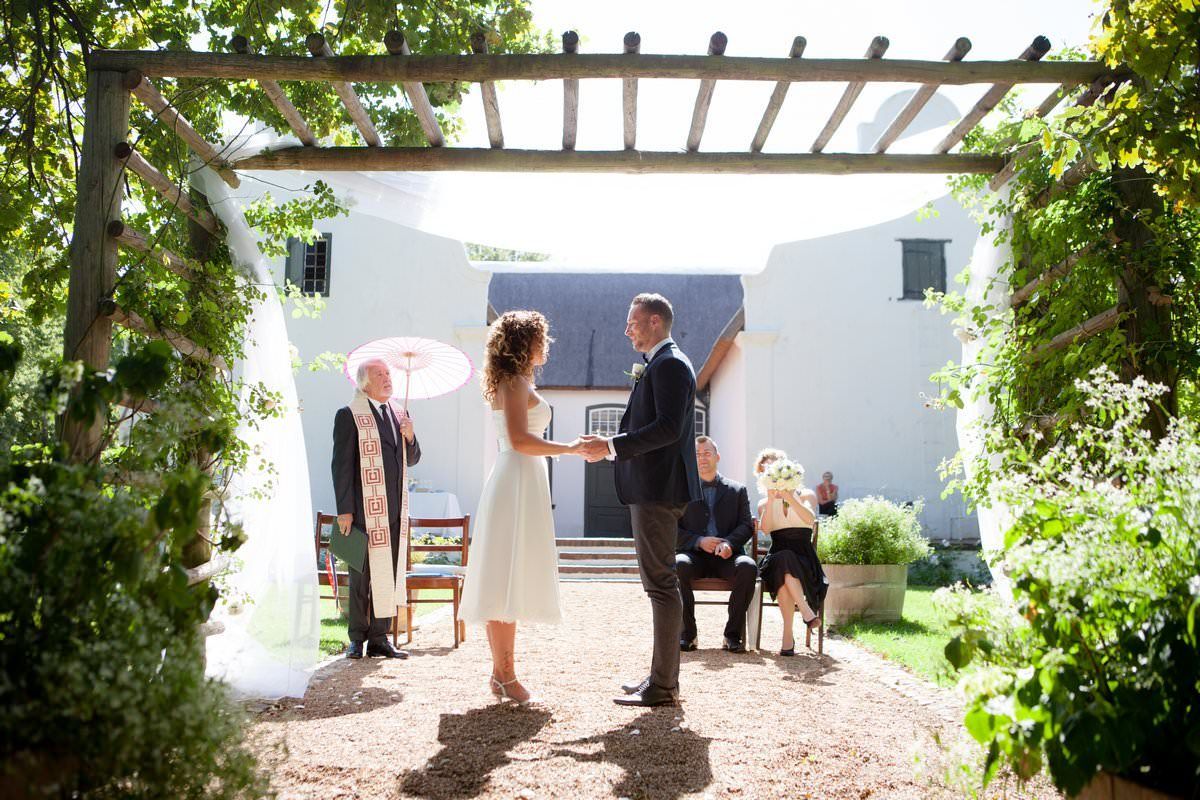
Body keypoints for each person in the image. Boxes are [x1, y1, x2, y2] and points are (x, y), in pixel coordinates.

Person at [580, 293, 701, 707]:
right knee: (659, 585)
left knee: (661, 585)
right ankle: (660, 676)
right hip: (654, 488)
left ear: (654, 322)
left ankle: (664, 686)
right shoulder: (662, 364)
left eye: (633, 322)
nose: (627, 329)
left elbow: (667, 429)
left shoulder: (669, 364)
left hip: (658, 489)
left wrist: (610, 446)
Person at [460, 310, 585, 706]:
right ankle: (506, 674)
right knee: (503, 575)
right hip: (514, 476)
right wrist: (569, 448)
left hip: (522, 479)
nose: (544, 346)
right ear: (524, 343)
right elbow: (519, 439)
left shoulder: (517, 381)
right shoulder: (513, 382)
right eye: (540, 339)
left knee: (510, 575)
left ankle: (502, 674)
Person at [331, 358, 421, 660]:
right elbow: (340, 466)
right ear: (364, 383)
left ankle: (380, 637)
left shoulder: (400, 413)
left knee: (389, 571)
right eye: (379, 374)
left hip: (394, 509)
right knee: (361, 575)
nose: (387, 378)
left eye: (388, 373)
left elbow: (412, 459)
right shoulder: (349, 415)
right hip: (361, 508)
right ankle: (357, 638)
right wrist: (344, 509)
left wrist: (410, 435)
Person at [675, 436, 757, 653]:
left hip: (727, 556)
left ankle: (732, 636)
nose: (702, 458)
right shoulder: (681, 491)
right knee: (678, 564)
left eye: (707, 453)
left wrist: (729, 543)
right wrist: (698, 541)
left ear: (717, 457)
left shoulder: (737, 490)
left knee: (748, 566)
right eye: (698, 454)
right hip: (694, 555)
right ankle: (688, 635)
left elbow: (747, 525)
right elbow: (671, 528)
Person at [754, 448, 828, 657]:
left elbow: (809, 521)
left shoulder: (806, 495)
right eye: (765, 469)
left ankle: (788, 636)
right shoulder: (763, 503)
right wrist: (771, 501)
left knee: (785, 572)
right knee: (783, 560)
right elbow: (766, 529)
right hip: (777, 555)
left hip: (804, 558)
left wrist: (790, 497)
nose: (770, 471)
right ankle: (806, 612)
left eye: (773, 466)